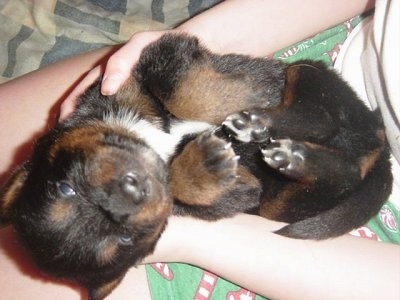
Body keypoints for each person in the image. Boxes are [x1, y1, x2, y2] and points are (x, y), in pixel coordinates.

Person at [0, 0, 399, 299]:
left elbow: (166, 63)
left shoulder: (114, 103)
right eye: (122, 238)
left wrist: (195, 236)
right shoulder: (177, 193)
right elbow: (243, 194)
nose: (124, 197)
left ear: (27, 171)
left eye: (67, 190)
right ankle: (334, 166)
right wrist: (218, 35)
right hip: (339, 63)